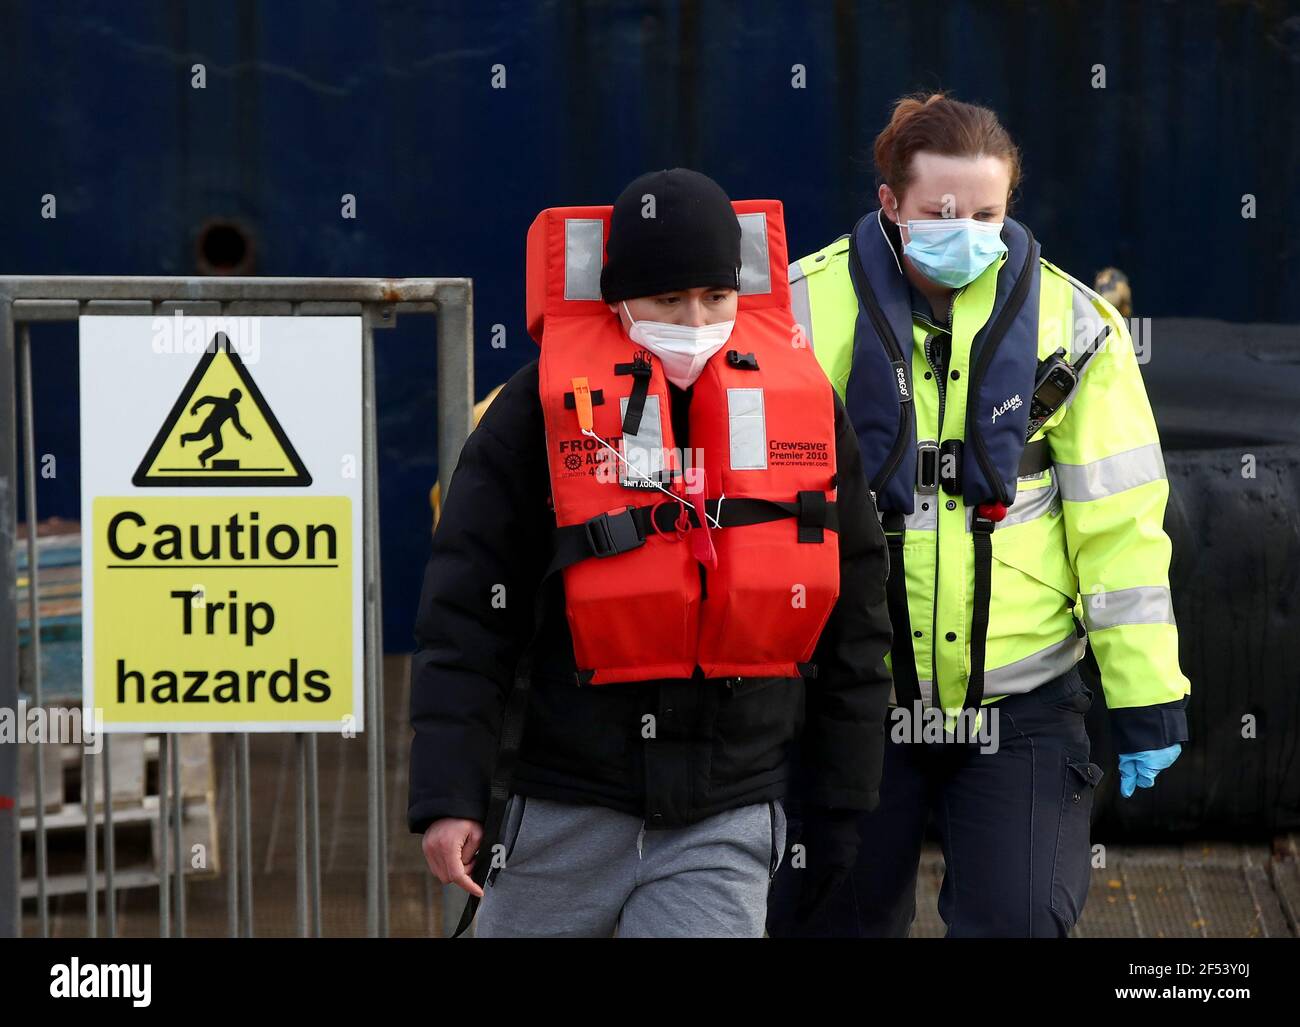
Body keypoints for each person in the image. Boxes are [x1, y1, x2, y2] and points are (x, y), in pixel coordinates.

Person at [407, 168, 893, 938]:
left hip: (725, 812)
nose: (695, 321)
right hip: (562, 805)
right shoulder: (532, 415)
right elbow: (466, 614)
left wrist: (840, 801)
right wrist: (448, 795)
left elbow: (858, 617)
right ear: (618, 300)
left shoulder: (805, 410)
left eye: (715, 298)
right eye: (667, 300)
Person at [769, 93, 1190, 938]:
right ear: (891, 204)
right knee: (826, 922)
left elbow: (1121, 532)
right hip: (853, 701)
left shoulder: (1081, 328)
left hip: (1021, 703)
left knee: (1021, 921)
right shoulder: (793, 316)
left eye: (988, 213)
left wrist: (1145, 696)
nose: (965, 230)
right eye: (941, 213)